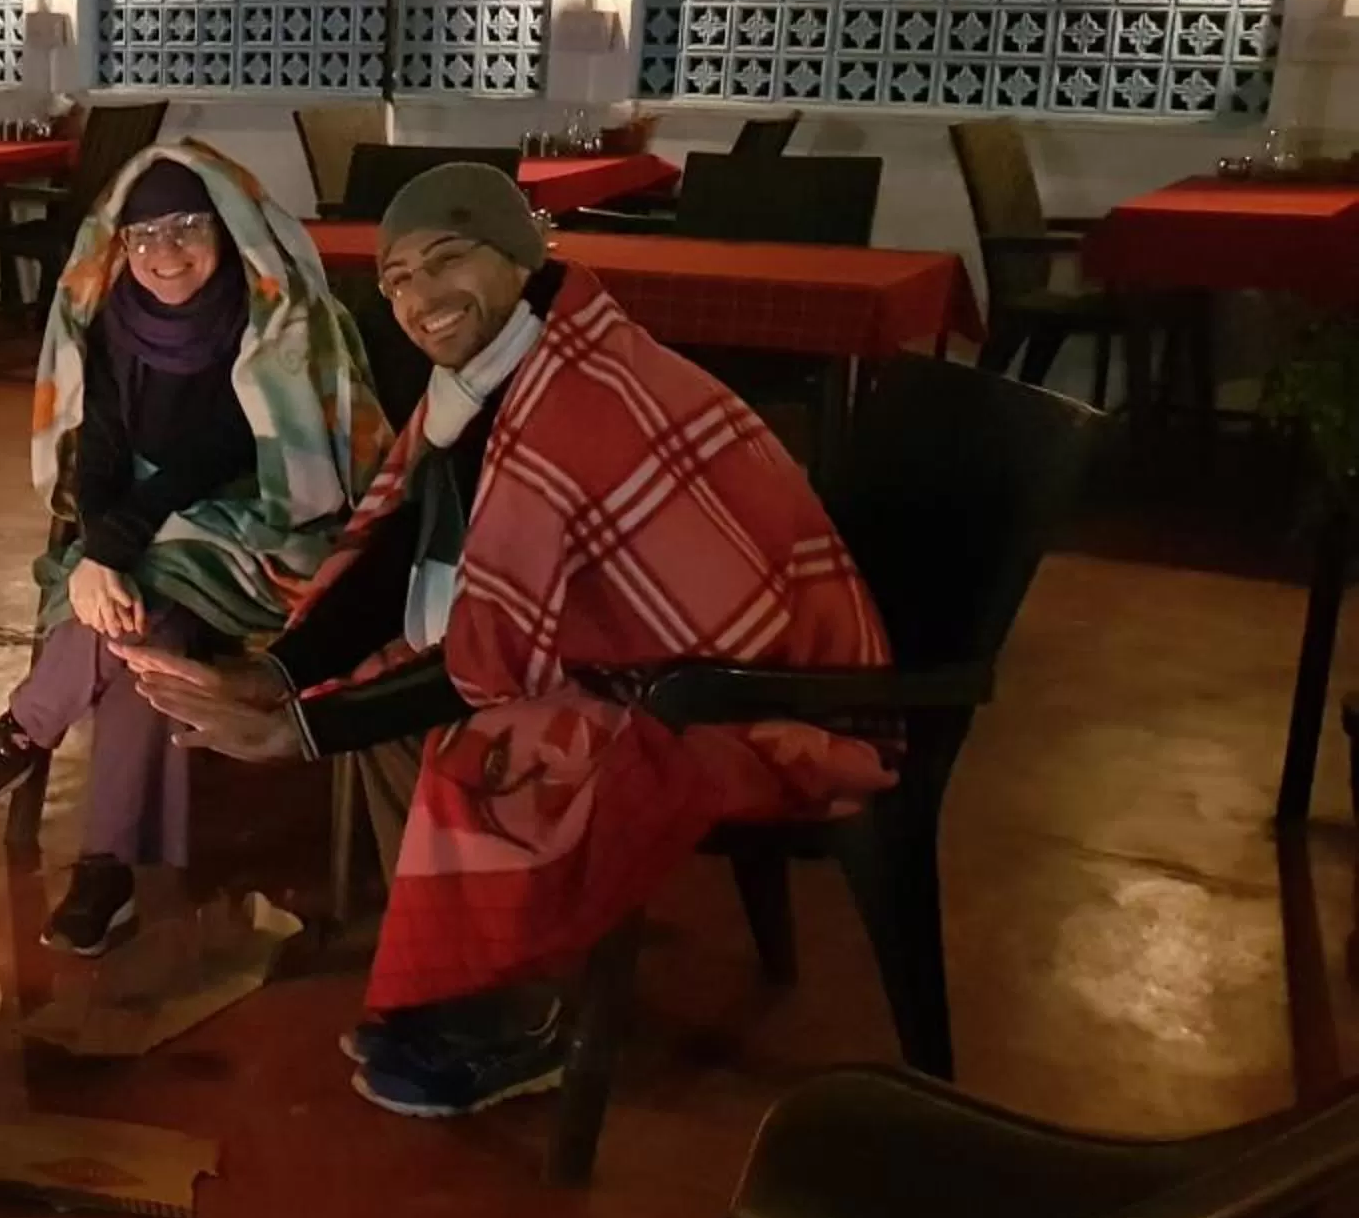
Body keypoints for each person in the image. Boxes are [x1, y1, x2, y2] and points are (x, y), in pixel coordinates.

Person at [126, 163, 894, 1117]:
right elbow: (406, 543)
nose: (418, 299)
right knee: (387, 694)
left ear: (523, 259)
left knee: (497, 741)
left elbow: (497, 655)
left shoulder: (581, 394)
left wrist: (301, 731)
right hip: (653, 655)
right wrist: (276, 677)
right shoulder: (502, 374)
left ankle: (517, 1018)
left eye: (449, 260)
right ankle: (466, 993)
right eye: (399, 278)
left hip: (767, 702)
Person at [0, 143, 385, 956]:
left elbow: (227, 453)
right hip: (140, 526)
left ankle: (20, 735)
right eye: (141, 234)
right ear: (118, 243)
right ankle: (107, 867)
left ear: (227, 229)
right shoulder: (112, 317)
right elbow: (99, 447)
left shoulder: (275, 320)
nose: (163, 253)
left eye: (187, 227)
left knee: (143, 588)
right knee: (142, 633)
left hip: (261, 518)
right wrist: (99, 545)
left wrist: (118, 547)